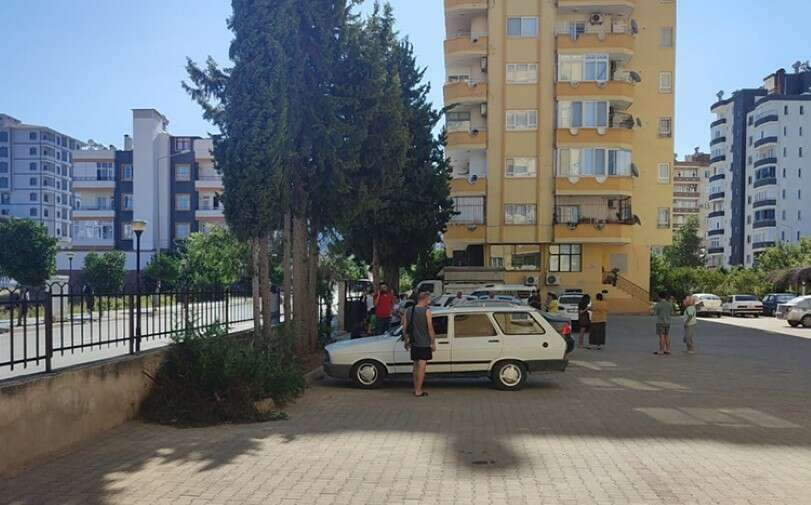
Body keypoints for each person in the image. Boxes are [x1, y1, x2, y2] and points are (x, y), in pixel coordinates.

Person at [402, 291, 436, 397]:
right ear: (424, 299)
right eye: (428, 299)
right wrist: (433, 342)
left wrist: (406, 340)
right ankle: (418, 390)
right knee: (422, 367)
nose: (429, 301)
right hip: (424, 343)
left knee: (415, 366)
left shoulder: (408, 310)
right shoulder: (427, 311)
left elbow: (404, 328)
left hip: (414, 343)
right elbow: (430, 328)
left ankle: (415, 387)